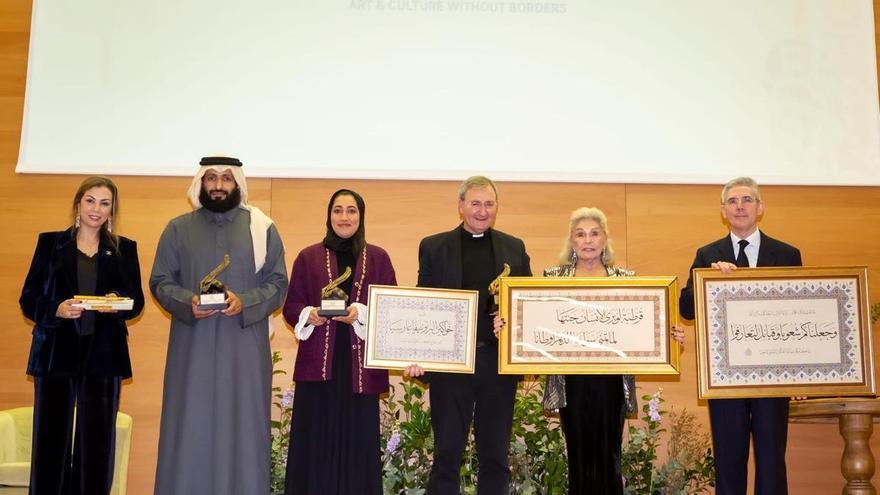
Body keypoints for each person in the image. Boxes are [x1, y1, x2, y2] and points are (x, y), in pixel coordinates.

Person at [519, 207, 684, 495]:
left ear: (605, 239)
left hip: (611, 383)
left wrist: (671, 337)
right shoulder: (553, 277)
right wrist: (512, 327)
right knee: (579, 457)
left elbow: (646, 325)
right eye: (580, 234)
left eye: (595, 233)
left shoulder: (626, 278)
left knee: (610, 458)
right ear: (571, 241)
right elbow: (536, 325)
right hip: (571, 382)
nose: (588, 240)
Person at [150, 156, 288, 495]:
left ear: (237, 184)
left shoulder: (261, 228)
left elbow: (278, 283)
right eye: (211, 178)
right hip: (191, 349)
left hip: (244, 348)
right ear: (200, 183)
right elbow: (160, 281)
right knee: (190, 425)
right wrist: (187, 301)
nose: (218, 185)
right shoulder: (177, 228)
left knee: (243, 427)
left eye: (226, 178)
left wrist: (245, 301)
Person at [405, 176, 531, 495]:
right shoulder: (433, 246)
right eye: (475, 203)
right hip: (451, 365)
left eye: (489, 204)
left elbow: (527, 304)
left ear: (497, 208)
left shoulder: (514, 248)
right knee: (447, 454)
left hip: (496, 364)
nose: (482, 210)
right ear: (460, 206)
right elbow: (424, 305)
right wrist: (417, 354)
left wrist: (514, 326)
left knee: (496, 457)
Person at [20, 176, 144, 495]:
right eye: (90, 200)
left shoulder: (125, 250)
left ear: (112, 209)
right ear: (78, 203)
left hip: (104, 358)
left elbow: (136, 302)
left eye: (104, 203)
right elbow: (29, 299)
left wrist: (116, 305)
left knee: (97, 445)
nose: (96, 209)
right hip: (55, 355)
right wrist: (56, 310)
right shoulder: (49, 244)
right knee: (50, 443)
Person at [679, 176, 802, 495]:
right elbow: (686, 308)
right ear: (723, 211)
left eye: (747, 200)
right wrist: (709, 280)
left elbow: (802, 314)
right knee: (729, 461)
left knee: (772, 461)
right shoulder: (708, 254)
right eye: (732, 201)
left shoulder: (787, 254)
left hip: (774, 376)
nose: (740, 206)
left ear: (760, 207)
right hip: (726, 378)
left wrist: (800, 378)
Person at [281, 189, 397, 495]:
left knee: (359, 446)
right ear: (329, 215)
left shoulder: (379, 258)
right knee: (316, 444)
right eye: (338, 210)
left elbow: (391, 309)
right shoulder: (308, 257)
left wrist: (360, 313)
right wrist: (311, 314)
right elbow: (291, 307)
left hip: (360, 370)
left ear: (361, 216)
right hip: (318, 370)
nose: (344, 217)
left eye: (351, 211)